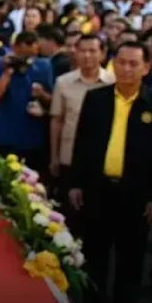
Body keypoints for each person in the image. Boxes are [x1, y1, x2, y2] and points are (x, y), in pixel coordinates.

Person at [70, 42, 152, 303]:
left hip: (136, 196)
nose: (127, 69)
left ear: (146, 68)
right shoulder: (96, 98)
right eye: (122, 62)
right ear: (113, 64)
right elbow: (82, 143)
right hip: (98, 190)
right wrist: (76, 182)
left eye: (134, 63)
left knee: (131, 260)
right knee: (95, 255)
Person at [49, 34, 114, 228]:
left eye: (92, 51)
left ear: (102, 54)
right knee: (68, 215)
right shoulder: (63, 82)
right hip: (69, 157)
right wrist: (54, 157)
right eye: (83, 51)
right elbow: (57, 121)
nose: (87, 55)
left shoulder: (114, 82)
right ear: (75, 53)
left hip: (102, 160)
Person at [0, 32, 53, 172]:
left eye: (31, 54)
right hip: (5, 136)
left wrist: (41, 95)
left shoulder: (44, 67)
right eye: (22, 54)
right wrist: (7, 73)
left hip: (33, 138)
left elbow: (53, 103)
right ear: (14, 47)